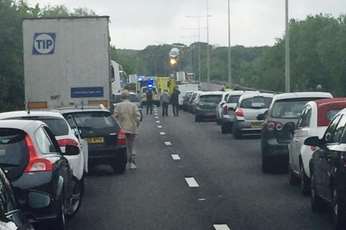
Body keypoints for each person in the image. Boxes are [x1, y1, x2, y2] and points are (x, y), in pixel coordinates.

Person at [113, 90, 141, 169]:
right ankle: (132, 162)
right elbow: (138, 117)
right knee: (131, 145)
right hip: (132, 128)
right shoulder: (133, 105)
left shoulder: (118, 106)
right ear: (128, 97)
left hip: (121, 129)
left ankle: (123, 162)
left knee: (123, 146)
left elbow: (114, 117)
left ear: (121, 97)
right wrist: (137, 125)